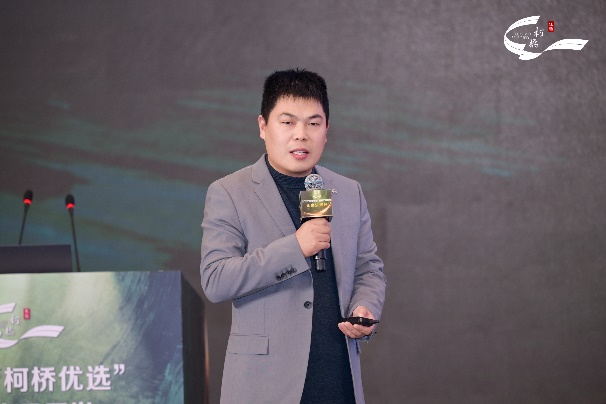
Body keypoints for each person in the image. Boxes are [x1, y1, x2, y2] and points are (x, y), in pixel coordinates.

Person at [200, 68, 386, 404]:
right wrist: (295, 247)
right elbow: (216, 279)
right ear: (263, 126)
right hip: (265, 384)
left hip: (337, 378)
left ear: (326, 130)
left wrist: (365, 305)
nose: (301, 135)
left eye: (313, 123)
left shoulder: (348, 191)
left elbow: (368, 268)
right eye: (288, 122)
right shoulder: (230, 192)